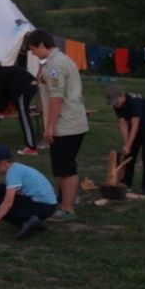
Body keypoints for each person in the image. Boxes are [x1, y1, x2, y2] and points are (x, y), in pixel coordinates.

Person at [26, 29, 88, 221]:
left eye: (33, 49)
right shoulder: (61, 60)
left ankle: (67, 208)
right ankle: (65, 199)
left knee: (66, 167)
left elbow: (56, 97)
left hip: (66, 125)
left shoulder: (55, 65)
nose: (32, 53)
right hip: (74, 122)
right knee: (63, 166)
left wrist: (50, 127)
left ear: (43, 45)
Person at [0, 145, 57, 239]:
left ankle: (28, 220)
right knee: (1, 189)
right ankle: (38, 219)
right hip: (47, 204)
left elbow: (7, 204)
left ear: (2, 162)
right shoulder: (16, 167)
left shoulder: (12, 174)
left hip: (43, 206)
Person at [105, 84, 145, 196]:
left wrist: (129, 143)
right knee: (129, 155)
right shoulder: (117, 105)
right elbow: (122, 123)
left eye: (115, 101)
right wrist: (127, 144)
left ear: (122, 95)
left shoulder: (134, 102)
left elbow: (135, 124)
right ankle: (126, 182)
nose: (115, 104)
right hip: (135, 127)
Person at [0, 60, 40, 156]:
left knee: (24, 118)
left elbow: (1, 94)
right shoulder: (5, 71)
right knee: (23, 116)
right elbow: (6, 93)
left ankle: (31, 147)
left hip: (24, 89)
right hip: (29, 85)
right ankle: (30, 146)